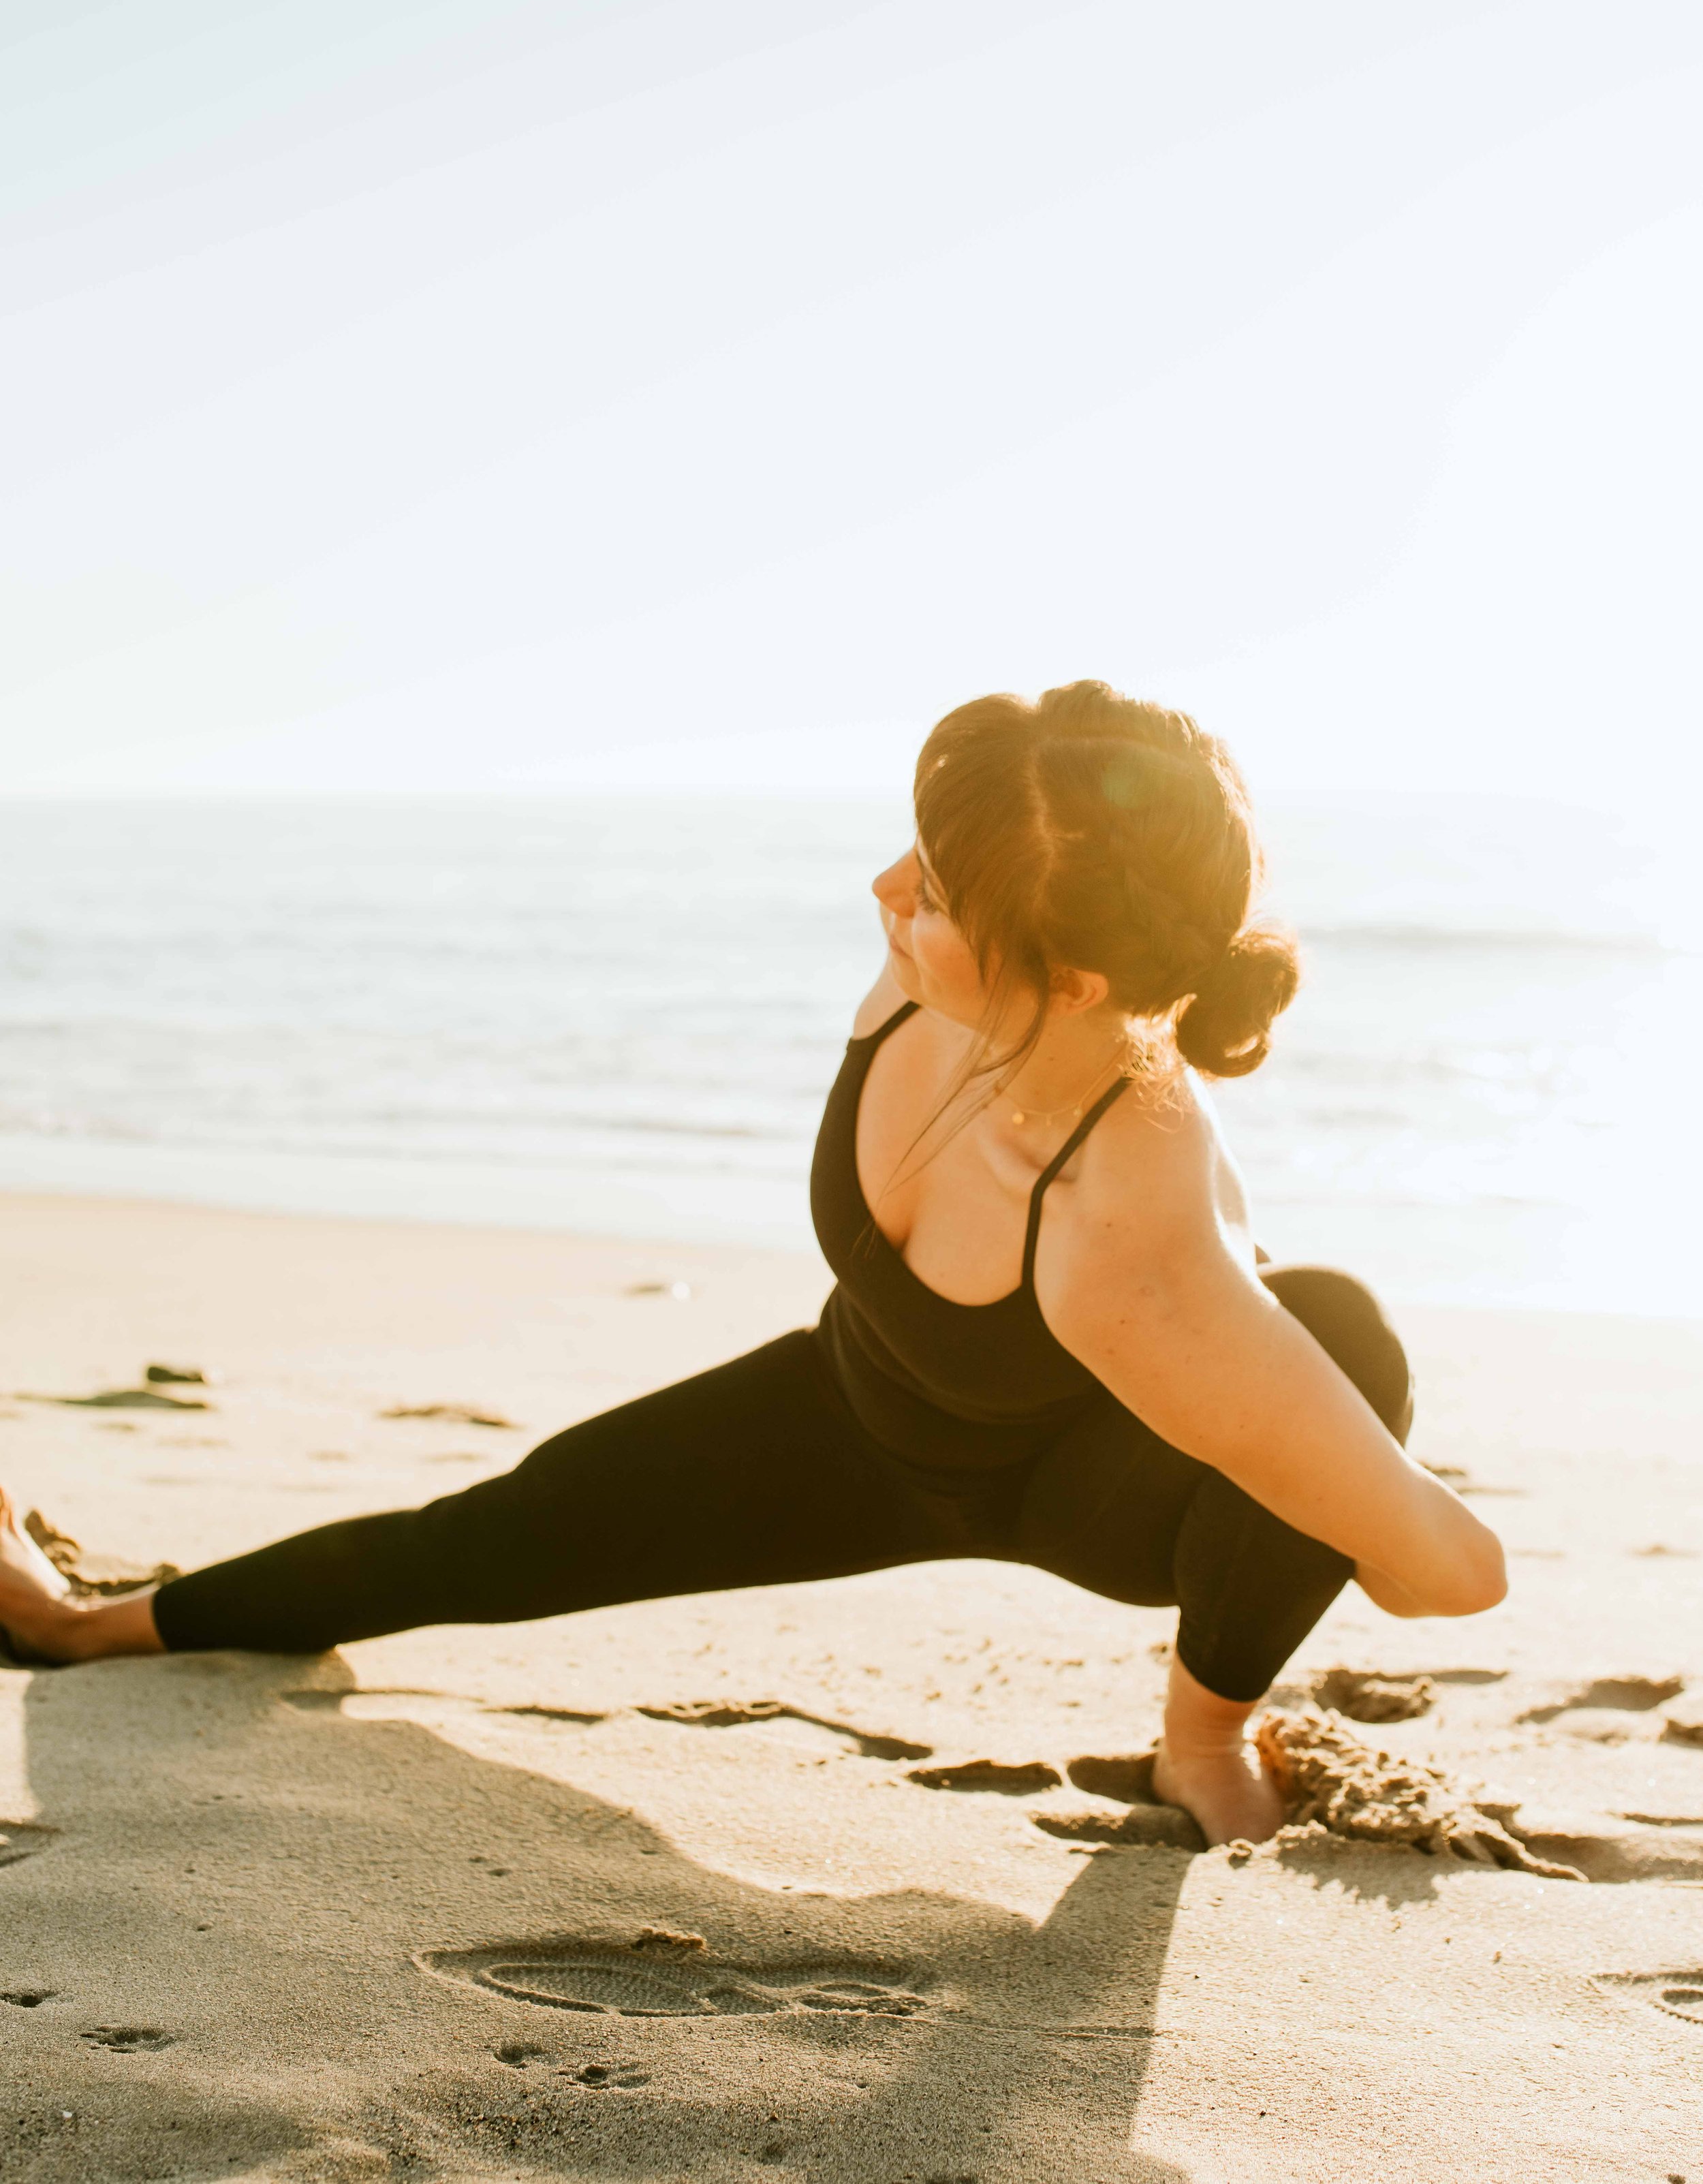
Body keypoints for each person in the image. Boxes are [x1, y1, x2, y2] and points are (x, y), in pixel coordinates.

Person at [0, 683, 1505, 1844]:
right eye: (914, 851)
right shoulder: (941, 972)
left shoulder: (1137, 1237)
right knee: (477, 1537)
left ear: (1074, 977)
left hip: (1089, 1494)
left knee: (1335, 1331)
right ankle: (76, 1625)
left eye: (928, 891)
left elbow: (1451, 1576)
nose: (882, 891)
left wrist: (1275, 1459)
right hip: (843, 1417)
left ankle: (1202, 1733)